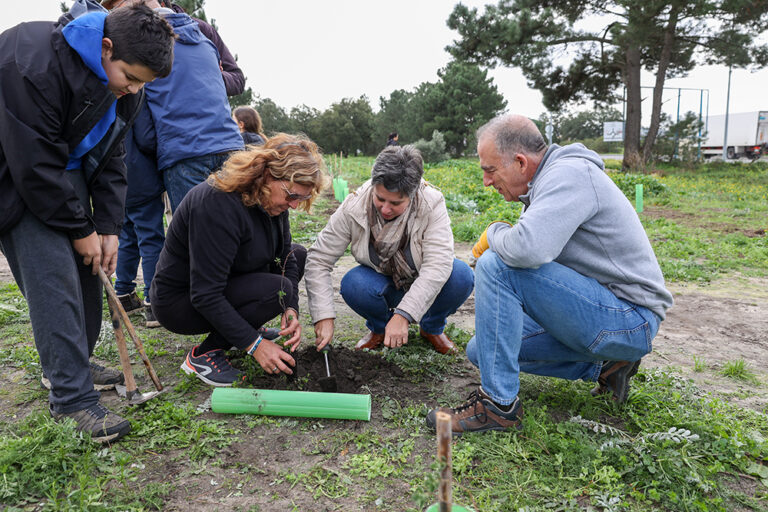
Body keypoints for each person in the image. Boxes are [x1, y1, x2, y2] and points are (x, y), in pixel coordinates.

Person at [427, 114, 674, 436]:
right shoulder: (547, 184)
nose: (487, 181)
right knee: (481, 351)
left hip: (629, 319)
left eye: (490, 170)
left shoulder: (569, 175)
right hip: (604, 314)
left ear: (520, 162)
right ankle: (608, 366)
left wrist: (496, 232)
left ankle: (497, 406)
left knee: (496, 266)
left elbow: (526, 250)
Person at [0, 5, 175, 442]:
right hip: (14, 174)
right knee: (53, 277)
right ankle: (72, 400)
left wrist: (108, 225)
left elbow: (114, 155)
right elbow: (34, 164)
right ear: (106, 47)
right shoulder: (30, 61)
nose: (133, 90)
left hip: (65, 171)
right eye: (130, 78)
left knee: (88, 276)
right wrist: (80, 230)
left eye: (142, 84)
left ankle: (72, 362)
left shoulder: (126, 87)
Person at [150, 134, 329, 386]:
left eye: (300, 198)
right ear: (267, 175)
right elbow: (205, 293)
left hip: (227, 282)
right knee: (276, 289)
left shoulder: (272, 202)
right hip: (182, 302)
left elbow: (286, 255)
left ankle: (241, 329)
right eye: (291, 196)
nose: (294, 205)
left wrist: (291, 308)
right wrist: (255, 346)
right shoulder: (217, 203)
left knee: (297, 256)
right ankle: (204, 355)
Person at [305, 145, 474, 354]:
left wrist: (404, 314)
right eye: (380, 198)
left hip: (419, 277)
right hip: (382, 279)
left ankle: (431, 327)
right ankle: (381, 329)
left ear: (412, 195)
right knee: (354, 284)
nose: (385, 209)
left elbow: (437, 265)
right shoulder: (355, 205)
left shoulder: (431, 203)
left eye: (396, 203)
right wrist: (323, 315)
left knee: (461, 276)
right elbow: (319, 258)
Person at [135, 0, 245, 212]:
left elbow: (142, 117)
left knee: (194, 231)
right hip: (228, 143)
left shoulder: (142, 46)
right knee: (236, 222)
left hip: (184, 150)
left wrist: (161, 146)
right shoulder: (203, 40)